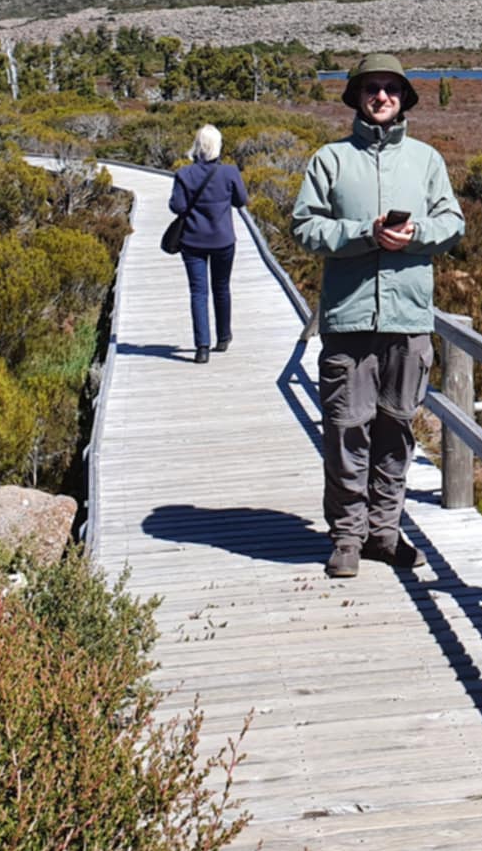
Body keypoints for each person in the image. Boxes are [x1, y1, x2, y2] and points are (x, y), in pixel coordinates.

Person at [292, 52, 463, 578]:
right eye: (372, 88)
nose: (382, 96)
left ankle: (384, 533)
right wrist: (362, 233)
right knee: (345, 430)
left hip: (408, 319)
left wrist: (417, 236)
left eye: (392, 88)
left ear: (405, 97)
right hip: (347, 320)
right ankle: (346, 536)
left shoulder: (427, 161)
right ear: (356, 97)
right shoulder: (329, 161)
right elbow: (305, 227)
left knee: (397, 430)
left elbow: (451, 222)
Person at [170, 124, 250, 365]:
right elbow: (241, 201)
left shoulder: (184, 174)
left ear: (197, 146)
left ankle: (201, 348)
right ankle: (223, 337)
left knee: (198, 292)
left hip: (192, 241)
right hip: (223, 240)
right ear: (218, 146)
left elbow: (178, 207)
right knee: (222, 287)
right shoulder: (229, 172)